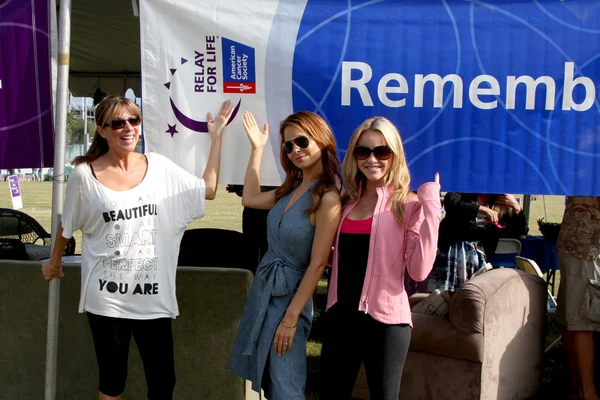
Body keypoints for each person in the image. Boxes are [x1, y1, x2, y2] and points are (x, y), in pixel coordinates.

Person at [41, 95, 234, 400]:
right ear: (102, 131)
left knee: (163, 383)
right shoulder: (84, 175)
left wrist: (217, 137)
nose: (128, 128)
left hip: (153, 299)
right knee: (112, 381)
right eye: (117, 122)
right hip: (107, 299)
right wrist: (54, 263)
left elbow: (207, 190)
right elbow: (67, 225)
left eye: (134, 120)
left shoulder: (159, 167)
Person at [319, 117, 441, 400]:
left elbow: (420, 271)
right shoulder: (345, 201)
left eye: (381, 151)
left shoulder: (408, 204)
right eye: (363, 151)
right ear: (354, 155)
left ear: (394, 155)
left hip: (386, 323)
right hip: (341, 318)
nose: (371, 159)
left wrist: (432, 208)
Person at [228, 110, 342, 399]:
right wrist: (257, 149)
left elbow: (318, 264)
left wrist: (291, 319)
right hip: (265, 291)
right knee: (269, 378)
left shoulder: (327, 197)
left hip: (291, 299)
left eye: (302, 141)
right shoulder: (292, 188)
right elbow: (250, 198)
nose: (295, 150)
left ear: (322, 140)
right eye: (288, 145)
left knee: (285, 384)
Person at [556, 196, 600, 400]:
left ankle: (577, 388)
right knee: (583, 321)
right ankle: (587, 392)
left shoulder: (584, 163)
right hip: (588, 247)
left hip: (575, 242)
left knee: (573, 319)